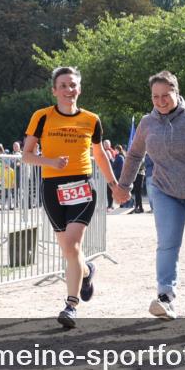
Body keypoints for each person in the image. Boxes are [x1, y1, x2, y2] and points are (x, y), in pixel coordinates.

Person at [114, 70, 185, 320]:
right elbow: (135, 155)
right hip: (164, 190)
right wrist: (124, 185)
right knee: (168, 243)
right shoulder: (147, 123)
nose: (160, 101)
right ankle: (165, 296)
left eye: (165, 95)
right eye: (155, 96)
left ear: (176, 93)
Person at [23, 66, 121, 329]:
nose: (69, 90)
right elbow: (27, 155)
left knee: (74, 245)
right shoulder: (42, 117)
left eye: (73, 85)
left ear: (80, 88)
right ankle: (87, 271)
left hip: (82, 188)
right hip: (52, 188)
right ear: (54, 91)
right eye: (63, 85)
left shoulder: (91, 119)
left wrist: (114, 184)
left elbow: (99, 155)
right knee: (68, 251)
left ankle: (70, 305)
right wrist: (51, 161)